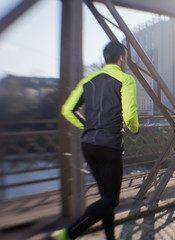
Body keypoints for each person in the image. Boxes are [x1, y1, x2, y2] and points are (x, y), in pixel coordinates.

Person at [52, 41, 139, 240]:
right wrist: (135, 129)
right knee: (111, 201)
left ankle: (111, 238)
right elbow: (130, 118)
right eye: (125, 58)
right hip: (109, 146)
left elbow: (67, 110)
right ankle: (68, 234)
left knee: (106, 198)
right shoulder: (125, 80)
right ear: (121, 58)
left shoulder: (88, 79)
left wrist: (87, 126)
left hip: (89, 145)